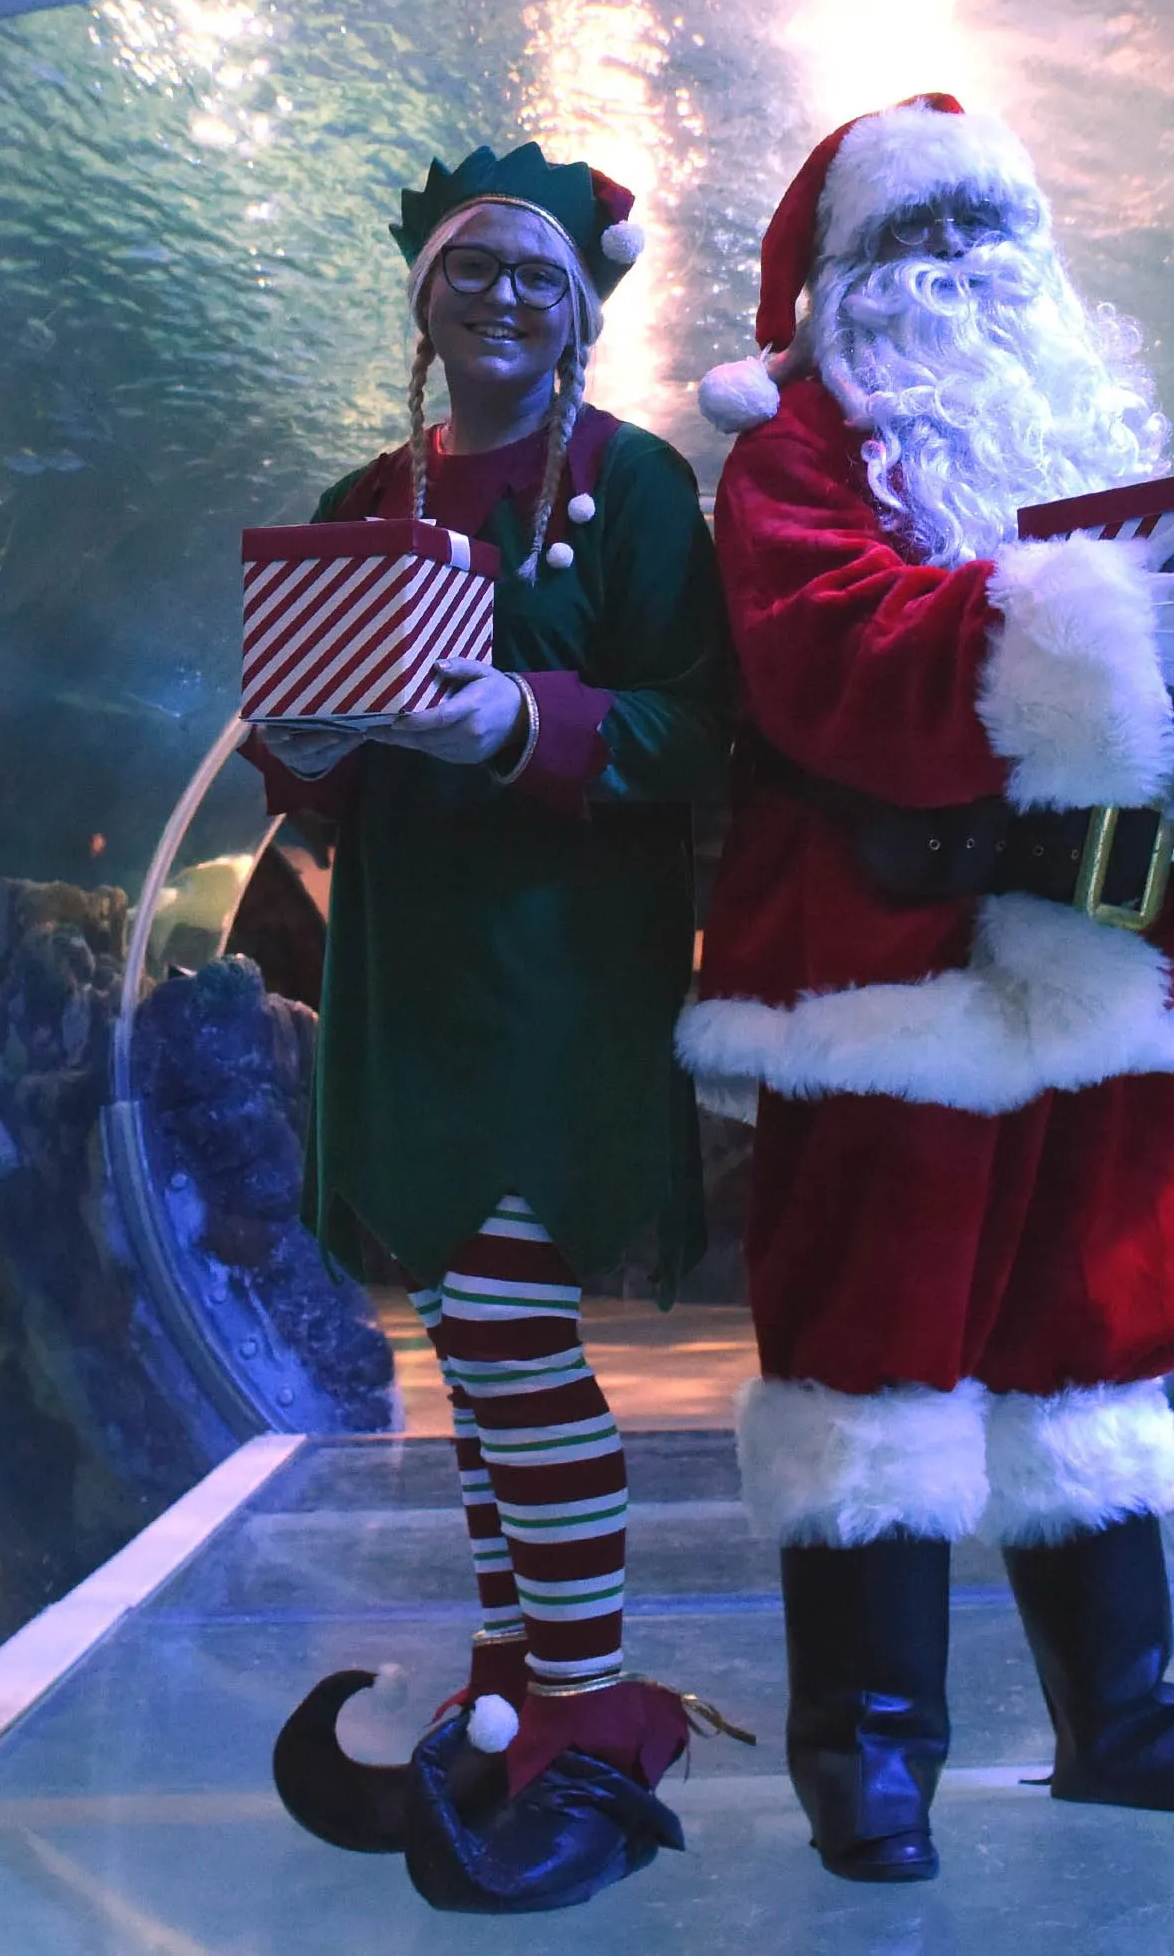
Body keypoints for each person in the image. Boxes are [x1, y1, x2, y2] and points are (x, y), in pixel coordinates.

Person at [681, 93, 1174, 1884]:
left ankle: (1122, 1709)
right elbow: (828, 662)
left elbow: (1164, 718)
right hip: (885, 976)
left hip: (1109, 953)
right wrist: (1107, 632)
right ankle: (868, 1744)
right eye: (919, 239)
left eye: (993, 232)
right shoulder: (790, 461)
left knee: (1096, 1339)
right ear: (835, 284)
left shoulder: (1099, 455)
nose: (963, 272)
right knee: (868, 1358)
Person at [252, 143, 735, 1913]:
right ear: (423, 297)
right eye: (475, 269)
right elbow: (305, 769)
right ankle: (518, 1675)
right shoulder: (358, 490)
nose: (506, 298)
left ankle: (601, 1706)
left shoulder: (638, 486)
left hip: (560, 969)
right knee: (473, 1343)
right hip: (406, 964)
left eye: (540, 275)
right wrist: (299, 727)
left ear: (583, 304)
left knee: (516, 1333)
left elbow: (703, 732)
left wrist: (515, 722)